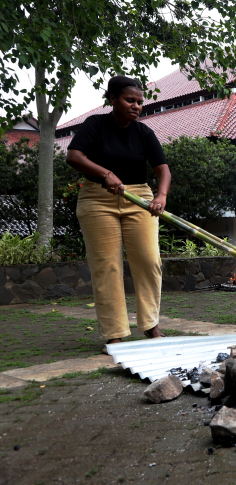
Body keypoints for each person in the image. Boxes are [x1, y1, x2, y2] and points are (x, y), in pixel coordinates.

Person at [66, 76, 171, 351]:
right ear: (112, 99)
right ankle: (114, 334)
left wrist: (160, 196)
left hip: (139, 199)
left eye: (139, 102)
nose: (136, 106)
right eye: (129, 100)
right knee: (107, 266)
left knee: (149, 260)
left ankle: (150, 324)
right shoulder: (95, 125)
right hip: (98, 199)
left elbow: (163, 169)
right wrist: (105, 174)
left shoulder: (144, 132)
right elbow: (74, 156)